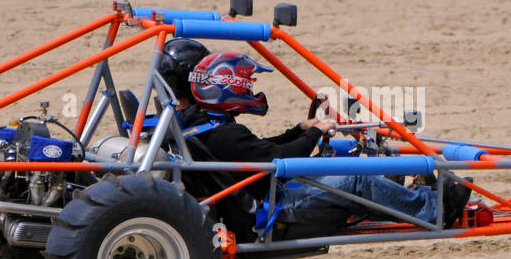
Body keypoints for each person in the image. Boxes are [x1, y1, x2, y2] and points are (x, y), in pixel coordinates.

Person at [156, 41, 468, 230]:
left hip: (258, 202)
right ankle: (434, 209)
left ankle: (397, 191)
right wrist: (314, 134)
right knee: (354, 178)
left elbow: (259, 151)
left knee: (340, 163)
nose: (249, 90)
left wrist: (300, 132)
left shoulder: (192, 126)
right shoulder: (223, 134)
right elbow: (277, 159)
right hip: (272, 213)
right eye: (244, 85)